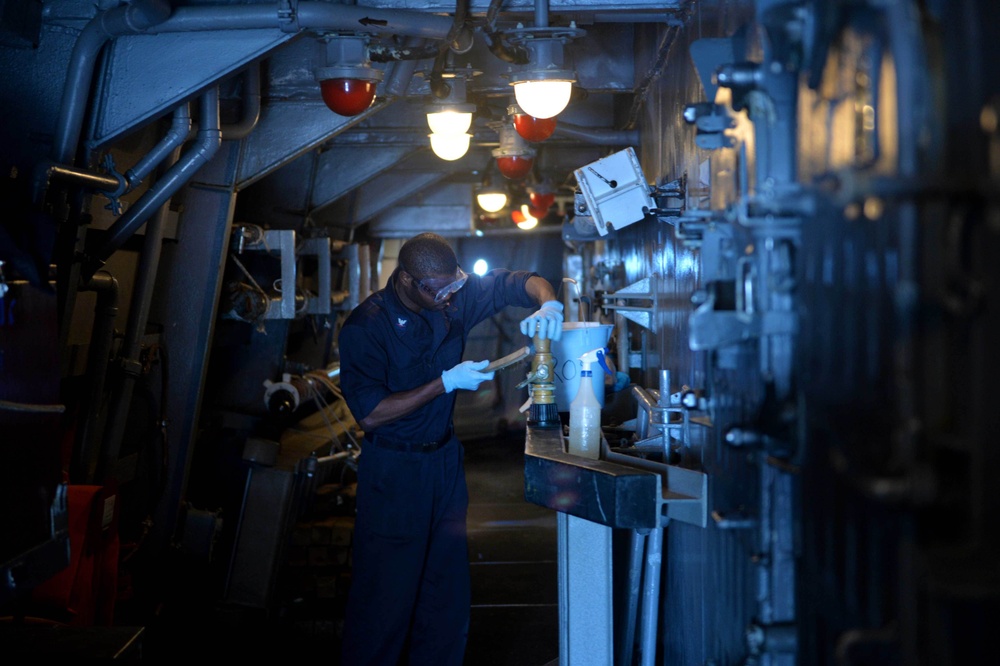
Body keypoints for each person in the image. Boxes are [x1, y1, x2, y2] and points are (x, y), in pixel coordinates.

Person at [337, 232, 563, 666]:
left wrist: (547, 303)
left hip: (443, 462)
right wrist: (443, 383)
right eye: (438, 290)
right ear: (407, 281)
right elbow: (370, 414)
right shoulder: (367, 327)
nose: (448, 297)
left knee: (446, 592)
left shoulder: (453, 298)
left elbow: (519, 280)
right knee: (386, 595)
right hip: (394, 469)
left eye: (453, 286)